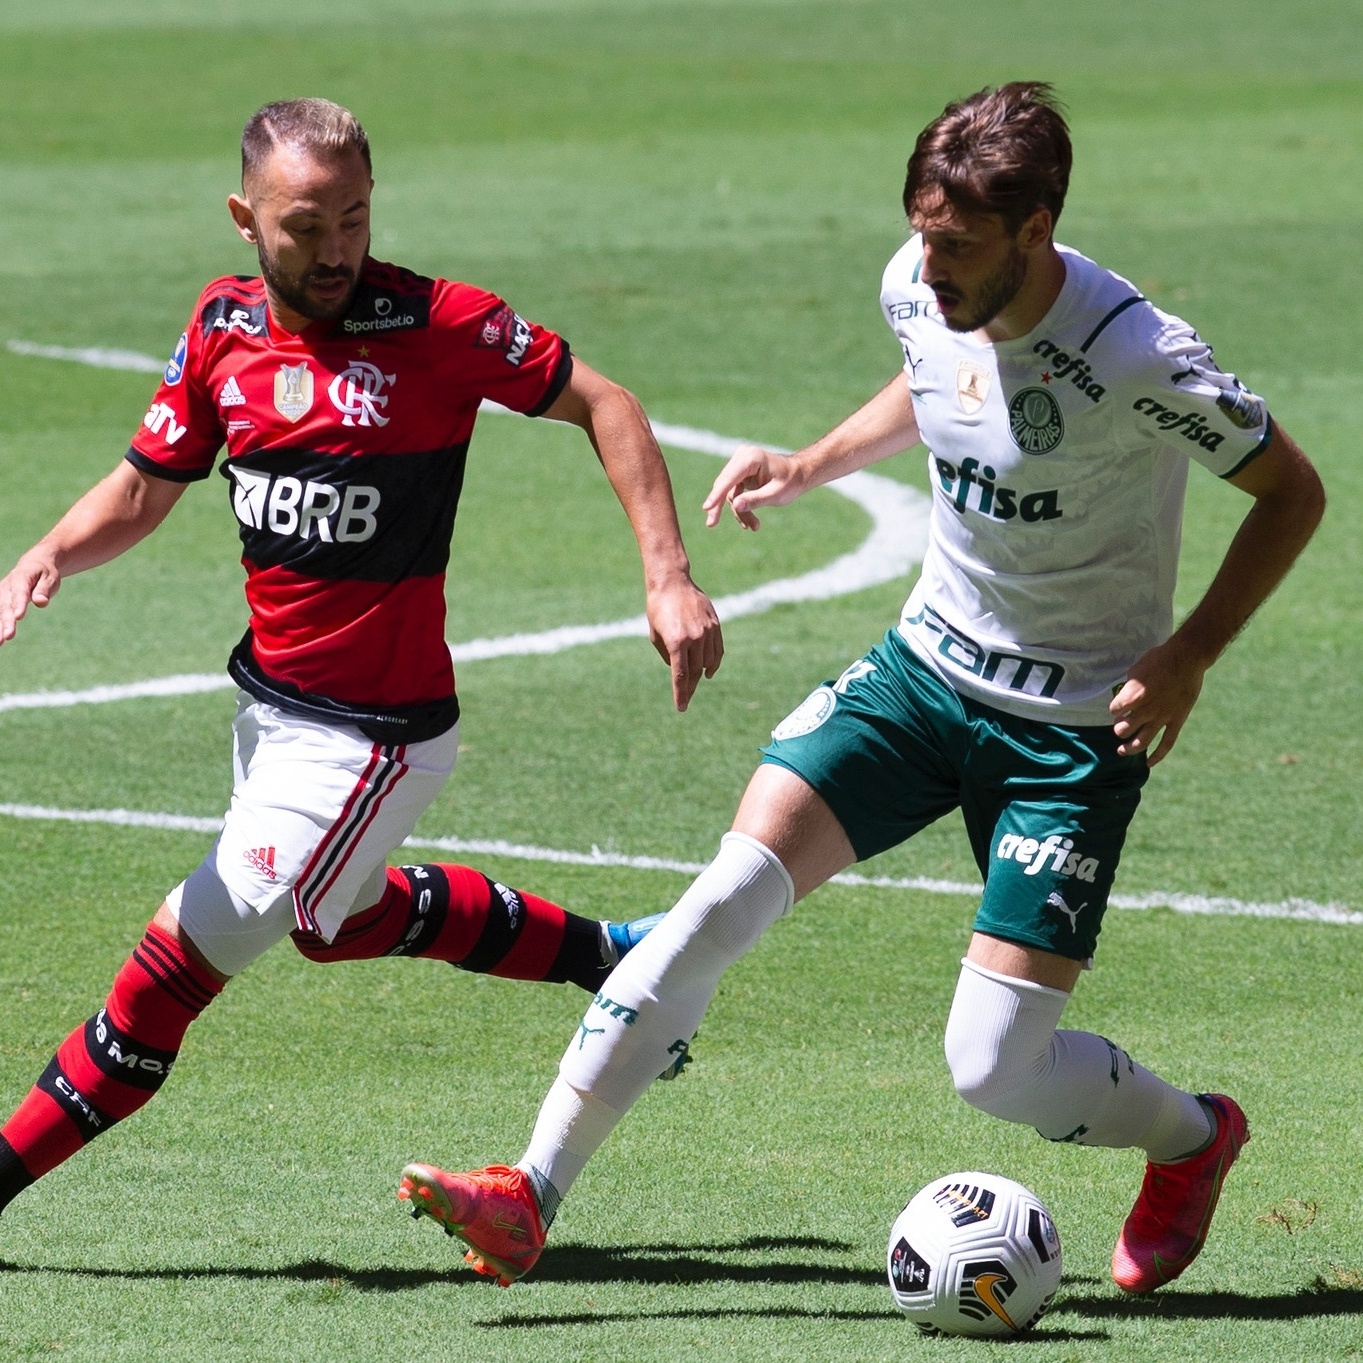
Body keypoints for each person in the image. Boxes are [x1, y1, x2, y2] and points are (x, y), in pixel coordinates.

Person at [398, 82, 1325, 1296]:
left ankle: (1196, 1140)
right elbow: (941, 381)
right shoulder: (918, 286)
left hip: (1071, 730)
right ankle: (530, 1192)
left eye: (958, 243)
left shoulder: (1138, 357)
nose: (927, 264)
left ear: (1036, 230)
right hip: (921, 675)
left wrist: (1189, 652)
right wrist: (815, 458)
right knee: (721, 897)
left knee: (992, 1068)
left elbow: (1290, 494)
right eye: (921, 232)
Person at [0, 98, 724, 1223]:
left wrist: (666, 573)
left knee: (175, 966)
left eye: (353, 218)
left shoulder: (438, 325)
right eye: (304, 225)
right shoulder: (223, 328)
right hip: (268, 712)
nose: (335, 248)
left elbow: (604, 401)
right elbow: (147, 483)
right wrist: (50, 549)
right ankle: (612, 957)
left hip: (372, 737)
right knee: (329, 925)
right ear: (245, 218)